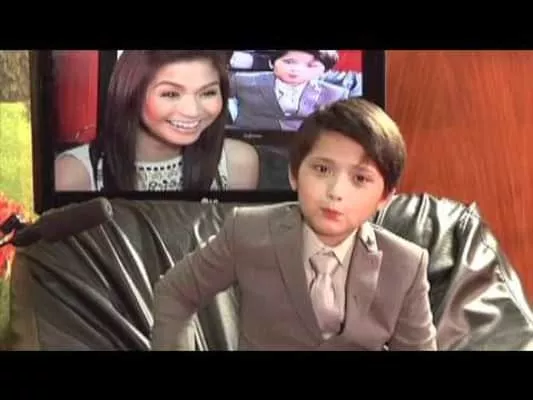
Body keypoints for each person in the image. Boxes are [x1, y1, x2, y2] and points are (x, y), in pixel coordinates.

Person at [151, 98, 438, 351]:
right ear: (294, 174)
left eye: (360, 178)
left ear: (385, 197)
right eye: (322, 169)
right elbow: (175, 292)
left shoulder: (405, 265)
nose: (336, 192)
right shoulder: (247, 231)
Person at [54, 50, 259, 192]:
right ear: (131, 93)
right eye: (170, 94)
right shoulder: (74, 174)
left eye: (207, 93)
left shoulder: (238, 162)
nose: (193, 111)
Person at [228, 50, 350, 132]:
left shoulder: (335, 94)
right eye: (289, 62)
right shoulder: (241, 80)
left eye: (310, 65)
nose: (296, 69)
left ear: (324, 71)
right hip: (249, 140)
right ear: (272, 63)